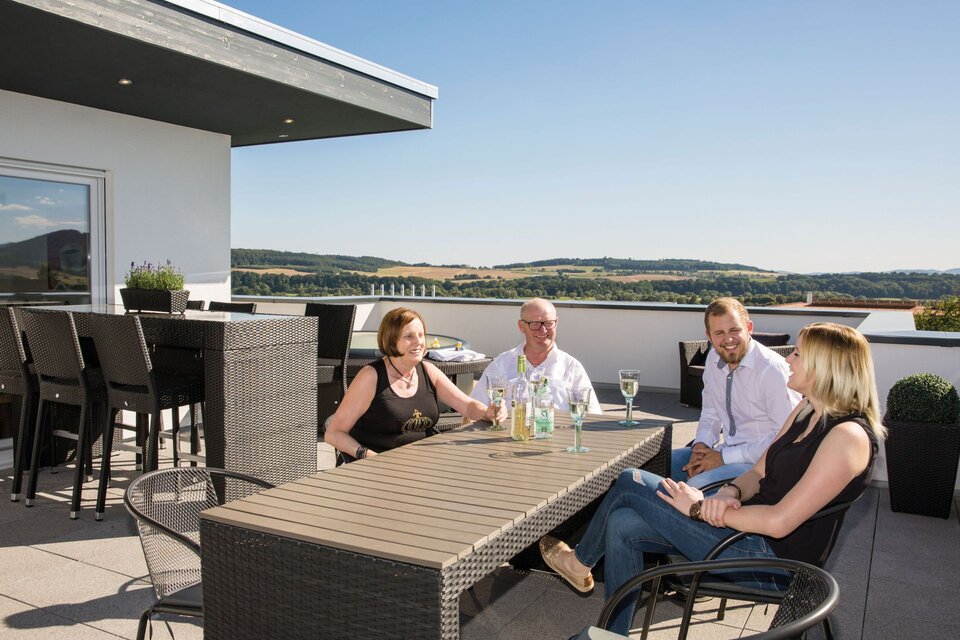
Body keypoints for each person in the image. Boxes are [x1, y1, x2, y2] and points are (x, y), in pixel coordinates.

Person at [540, 322, 883, 636]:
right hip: (743, 531)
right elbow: (759, 472)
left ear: (825, 366)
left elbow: (780, 522)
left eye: (798, 353)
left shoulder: (847, 438)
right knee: (623, 521)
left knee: (630, 479)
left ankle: (579, 561)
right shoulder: (807, 408)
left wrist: (700, 509)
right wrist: (731, 490)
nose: (789, 359)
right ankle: (613, 634)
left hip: (770, 561)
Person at [326, 307, 505, 461]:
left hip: (424, 462)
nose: (419, 342)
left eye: (421, 335)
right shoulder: (371, 376)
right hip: (381, 467)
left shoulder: (427, 370)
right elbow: (334, 433)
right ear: (391, 340)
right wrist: (368, 455)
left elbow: (466, 405)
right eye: (409, 337)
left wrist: (488, 412)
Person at [671, 298, 801, 488]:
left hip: (762, 463)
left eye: (734, 330)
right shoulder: (713, 359)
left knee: (696, 484)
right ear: (709, 336)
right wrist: (700, 446)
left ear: (749, 327)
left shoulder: (772, 370)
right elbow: (710, 412)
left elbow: (784, 438)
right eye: (719, 333)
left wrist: (723, 458)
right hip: (725, 450)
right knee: (658, 462)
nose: (728, 340)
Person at [470, 297, 602, 416]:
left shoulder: (572, 367)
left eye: (548, 323)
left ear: (556, 323)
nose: (543, 330)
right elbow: (475, 408)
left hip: (560, 439)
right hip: (509, 438)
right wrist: (490, 413)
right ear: (522, 326)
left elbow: (592, 416)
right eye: (535, 324)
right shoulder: (502, 364)